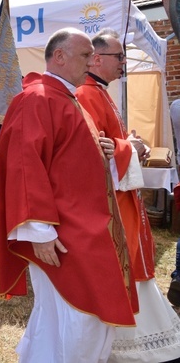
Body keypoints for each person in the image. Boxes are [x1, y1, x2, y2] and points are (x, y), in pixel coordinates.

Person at [0, 28, 138, 362]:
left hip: (83, 223)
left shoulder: (67, 98)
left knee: (63, 316)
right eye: (85, 56)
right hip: (63, 230)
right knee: (81, 314)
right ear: (60, 56)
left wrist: (104, 151)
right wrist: (38, 231)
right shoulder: (37, 98)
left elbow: (66, 156)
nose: (92, 62)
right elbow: (25, 165)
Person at [76, 29, 180, 362]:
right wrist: (128, 148)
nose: (124, 62)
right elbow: (90, 152)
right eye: (119, 57)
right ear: (97, 58)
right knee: (123, 262)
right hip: (110, 201)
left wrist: (126, 144)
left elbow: (110, 143)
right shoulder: (86, 94)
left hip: (122, 196)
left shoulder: (101, 92)